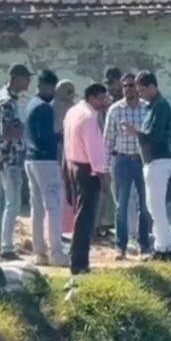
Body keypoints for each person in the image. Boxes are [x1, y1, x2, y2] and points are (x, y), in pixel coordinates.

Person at [123, 71, 171, 261]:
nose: (140, 94)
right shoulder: (154, 107)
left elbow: (155, 135)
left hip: (158, 160)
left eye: (142, 90)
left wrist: (135, 132)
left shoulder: (160, 107)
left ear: (153, 86)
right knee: (152, 206)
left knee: (156, 206)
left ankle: (164, 248)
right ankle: (165, 244)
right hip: (153, 161)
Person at [24, 69, 70, 267]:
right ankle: (57, 252)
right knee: (53, 207)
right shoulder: (45, 108)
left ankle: (40, 252)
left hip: (31, 159)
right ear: (46, 86)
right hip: (47, 160)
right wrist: (63, 137)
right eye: (52, 88)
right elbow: (48, 137)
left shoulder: (31, 105)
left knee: (37, 208)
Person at [103, 73, 151, 260]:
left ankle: (144, 244)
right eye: (125, 86)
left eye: (132, 85)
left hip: (141, 160)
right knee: (121, 205)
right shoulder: (115, 110)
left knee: (145, 205)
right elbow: (108, 141)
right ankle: (120, 247)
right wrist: (105, 167)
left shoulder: (147, 109)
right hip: (121, 161)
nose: (128, 89)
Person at [63, 83, 109, 274]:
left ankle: (76, 258)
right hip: (87, 169)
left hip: (73, 163)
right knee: (85, 218)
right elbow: (94, 148)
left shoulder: (73, 111)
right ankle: (79, 263)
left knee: (80, 216)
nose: (103, 102)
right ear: (91, 97)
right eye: (100, 98)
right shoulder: (90, 117)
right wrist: (103, 174)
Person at [0, 64, 33, 261]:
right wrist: (25, 130)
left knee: (1, 202)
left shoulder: (0, 96)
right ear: (16, 78)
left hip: (0, 155)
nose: (28, 82)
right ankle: (6, 247)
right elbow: (7, 132)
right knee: (12, 203)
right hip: (10, 157)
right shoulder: (7, 101)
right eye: (25, 78)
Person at [94, 67, 122, 236]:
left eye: (113, 83)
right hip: (106, 150)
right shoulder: (106, 104)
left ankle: (110, 223)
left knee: (117, 192)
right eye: (109, 84)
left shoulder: (127, 99)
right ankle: (97, 226)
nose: (112, 88)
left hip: (122, 150)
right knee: (104, 190)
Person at [52, 80, 77, 236]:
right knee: (64, 187)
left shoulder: (66, 107)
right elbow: (60, 129)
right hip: (62, 149)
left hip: (65, 148)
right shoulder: (60, 107)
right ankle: (63, 227)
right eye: (70, 91)